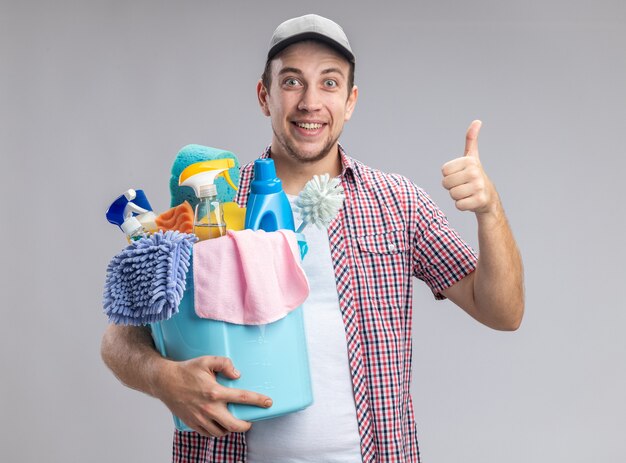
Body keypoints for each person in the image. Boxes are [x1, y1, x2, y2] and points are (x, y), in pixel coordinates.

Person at [101, 14, 524, 463]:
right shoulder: (210, 205)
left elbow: (502, 311)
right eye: (291, 82)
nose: (309, 102)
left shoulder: (398, 203)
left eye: (329, 83)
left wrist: (489, 210)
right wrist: (164, 380)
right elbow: (118, 340)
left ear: (350, 100)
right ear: (264, 96)